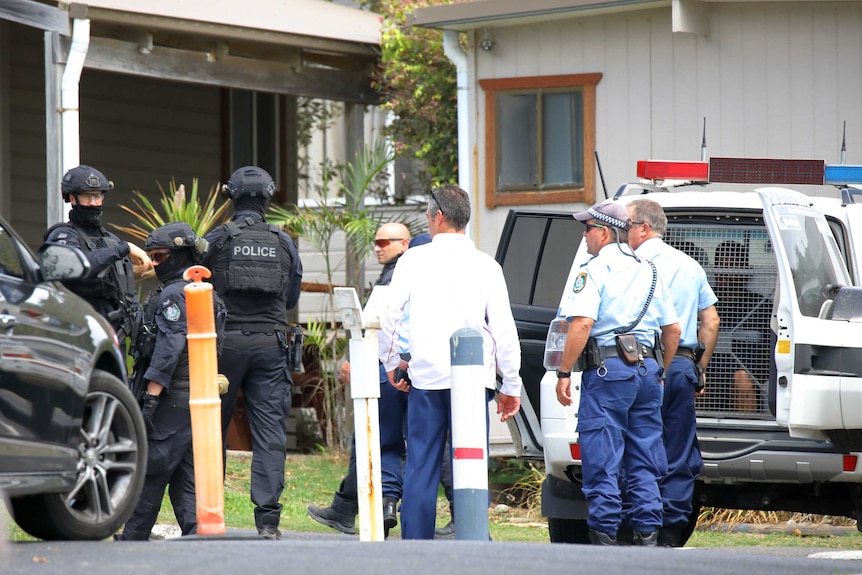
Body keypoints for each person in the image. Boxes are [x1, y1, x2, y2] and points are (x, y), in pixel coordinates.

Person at [380, 184, 522, 540]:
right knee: (471, 459)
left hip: (427, 376)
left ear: (439, 217)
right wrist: (511, 385)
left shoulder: (413, 259)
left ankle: (416, 542)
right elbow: (504, 329)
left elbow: (389, 318)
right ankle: (475, 536)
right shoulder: (486, 264)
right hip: (474, 379)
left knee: (422, 464)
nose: (427, 222)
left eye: (428, 215)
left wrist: (393, 363)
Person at [554, 199, 680, 546]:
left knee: (603, 458)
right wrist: (661, 372)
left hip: (609, 374)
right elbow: (673, 331)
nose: (585, 236)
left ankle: (606, 540)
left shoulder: (593, 269)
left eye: (588, 229)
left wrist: (563, 371)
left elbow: (581, 325)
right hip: (647, 372)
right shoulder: (650, 269)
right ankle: (647, 538)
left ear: (605, 232)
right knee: (644, 458)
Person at [201, 166, 303, 540]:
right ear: (267, 197)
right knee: (270, 432)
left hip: (223, 346)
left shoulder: (217, 239)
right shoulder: (284, 241)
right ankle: (268, 521)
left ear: (232, 197)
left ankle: (208, 513)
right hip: (271, 346)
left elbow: (197, 288)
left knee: (212, 427)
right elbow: (291, 297)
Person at [306, 222, 412, 536]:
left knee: (373, 441)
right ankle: (361, 506)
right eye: (376, 242)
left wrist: (356, 359)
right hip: (405, 368)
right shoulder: (404, 273)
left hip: (386, 367)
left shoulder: (397, 275)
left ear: (404, 244)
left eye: (384, 242)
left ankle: (360, 507)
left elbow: (380, 323)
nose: (377, 247)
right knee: (387, 442)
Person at [626, 199, 719, 547]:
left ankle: (637, 522)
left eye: (628, 225)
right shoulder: (690, 265)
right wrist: (699, 368)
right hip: (681, 365)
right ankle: (670, 528)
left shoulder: (630, 264)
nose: (624, 232)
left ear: (644, 228)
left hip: (636, 363)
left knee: (635, 443)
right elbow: (711, 321)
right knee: (678, 447)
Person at [116, 222, 211, 540]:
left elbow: (170, 348)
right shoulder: (200, 291)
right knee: (185, 473)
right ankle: (198, 536)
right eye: (152, 257)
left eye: (160, 256)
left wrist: (151, 397)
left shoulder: (173, 295)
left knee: (153, 468)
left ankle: (133, 537)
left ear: (181, 254)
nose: (155, 263)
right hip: (194, 396)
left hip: (171, 397)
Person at [43, 165, 149, 343]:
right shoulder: (62, 235)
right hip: (76, 333)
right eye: (87, 196)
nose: (93, 203)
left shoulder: (112, 241)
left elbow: (129, 294)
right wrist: (123, 249)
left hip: (113, 337)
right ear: (72, 198)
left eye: (97, 195)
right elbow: (73, 265)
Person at [710, 240, 773, 413]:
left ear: (744, 270)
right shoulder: (705, 302)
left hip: (746, 375)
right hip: (710, 370)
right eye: (720, 266)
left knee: (742, 379)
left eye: (731, 267)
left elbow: (769, 350)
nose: (725, 273)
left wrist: (754, 377)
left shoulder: (761, 306)